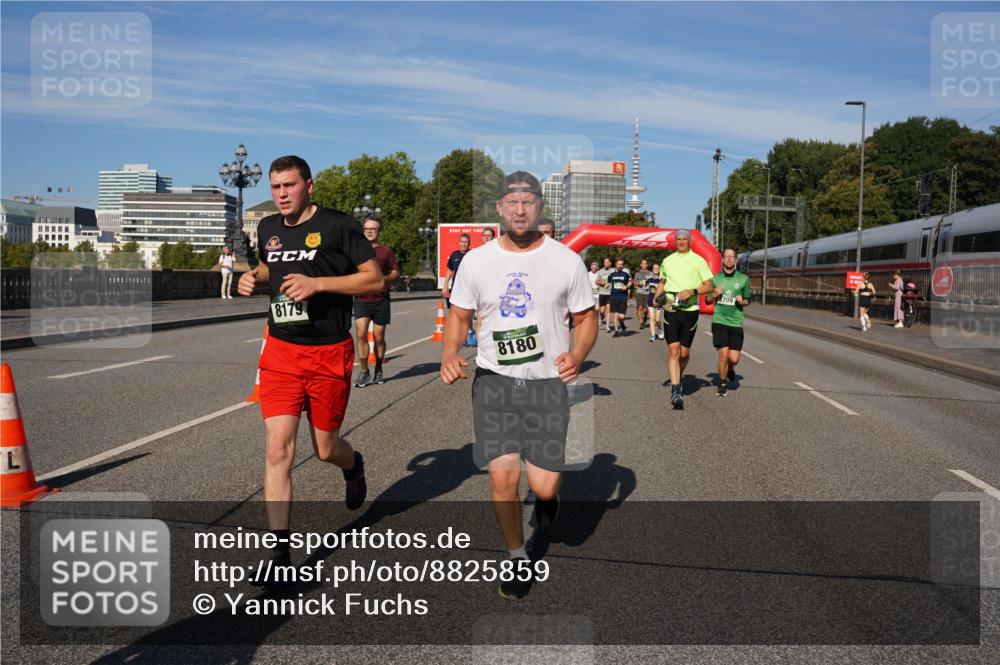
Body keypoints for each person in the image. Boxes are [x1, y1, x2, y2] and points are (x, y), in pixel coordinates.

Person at [440, 171, 597, 601]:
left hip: (547, 384)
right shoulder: (478, 261)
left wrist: (577, 355)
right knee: (504, 478)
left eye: (529, 202)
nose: (520, 209)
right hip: (495, 382)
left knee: (544, 485)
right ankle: (516, 557)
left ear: (540, 208)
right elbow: (458, 315)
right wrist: (450, 352)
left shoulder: (566, 260)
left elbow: (586, 319)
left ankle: (547, 499)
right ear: (499, 209)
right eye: (512, 202)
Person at [237, 155, 382, 576]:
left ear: (309, 186)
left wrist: (319, 283)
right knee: (277, 448)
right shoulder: (268, 228)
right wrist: (254, 277)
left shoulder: (339, 226)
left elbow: (372, 279)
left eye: (289, 186)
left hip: (328, 352)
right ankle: (279, 556)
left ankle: (352, 465)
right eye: (275, 186)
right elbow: (272, 267)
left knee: (324, 449)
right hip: (281, 350)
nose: (281, 194)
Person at [653, 229, 713, 409]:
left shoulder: (698, 260)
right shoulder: (667, 261)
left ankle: (678, 375)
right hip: (671, 309)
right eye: (678, 239)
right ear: (675, 242)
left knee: (684, 354)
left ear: (689, 241)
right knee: (673, 351)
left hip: (691, 310)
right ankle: (675, 389)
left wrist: (692, 291)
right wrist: (656, 298)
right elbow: (662, 282)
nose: (681, 242)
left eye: (684, 239)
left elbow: (708, 285)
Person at [353, 217, 399, 387]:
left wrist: (382, 279)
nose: (370, 231)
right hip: (361, 299)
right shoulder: (355, 251)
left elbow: (395, 273)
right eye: (367, 228)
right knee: (360, 334)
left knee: (379, 337)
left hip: (381, 299)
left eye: (373, 229)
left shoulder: (386, 252)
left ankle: (378, 367)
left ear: (379, 231)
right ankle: (364, 371)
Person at [704, 248, 751, 397]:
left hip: (736, 322)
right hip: (719, 321)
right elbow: (707, 300)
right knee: (723, 354)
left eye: (732, 257)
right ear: (723, 260)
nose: (729, 259)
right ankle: (723, 383)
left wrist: (741, 301)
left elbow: (748, 300)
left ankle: (730, 368)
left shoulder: (744, 279)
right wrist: (714, 295)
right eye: (727, 257)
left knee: (734, 359)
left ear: (735, 260)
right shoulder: (716, 278)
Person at [442, 233, 470, 308]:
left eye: (466, 242)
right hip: (456, 289)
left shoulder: (472, 255)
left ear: (469, 243)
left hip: (469, 290)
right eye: (462, 241)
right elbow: (450, 270)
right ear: (459, 242)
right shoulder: (454, 255)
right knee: (453, 311)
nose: (464, 244)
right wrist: (445, 286)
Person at [607, 258, 631, 336]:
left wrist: (626, 286)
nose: (620, 265)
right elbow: (608, 283)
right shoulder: (612, 274)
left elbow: (631, 281)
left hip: (623, 297)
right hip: (614, 296)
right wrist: (603, 284)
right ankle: (616, 331)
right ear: (615, 265)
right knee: (615, 315)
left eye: (621, 264)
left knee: (622, 316)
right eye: (619, 264)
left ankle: (621, 322)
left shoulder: (625, 274)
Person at [632, 259, 652, 329]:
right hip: (640, 292)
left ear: (647, 265)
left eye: (645, 263)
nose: (644, 265)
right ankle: (641, 323)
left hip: (648, 293)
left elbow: (653, 281)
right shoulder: (637, 274)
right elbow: (634, 283)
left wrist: (650, 284)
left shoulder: (650, 273)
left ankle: (645, 316)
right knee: (640, 307)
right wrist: (638, 283)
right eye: (642, 263)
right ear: (640, 265)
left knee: (646, 309)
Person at [646, 263, 663, 342]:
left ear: (659, 270)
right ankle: (653, 336)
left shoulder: (662, 280)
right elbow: (646, 288)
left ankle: (660, 330)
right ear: (652, 270)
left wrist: (659, 288)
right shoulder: (649, 279)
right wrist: (647, 287)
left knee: (657, 319)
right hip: (650, 300)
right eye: (654, 268)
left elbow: (665, 290)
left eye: (657, 268)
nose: (655, 269)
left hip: (658, 301)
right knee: (652, 318)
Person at [596, 257, 613, 332]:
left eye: (607, 262)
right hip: (602, 293)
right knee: (602, 310)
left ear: (610, 263)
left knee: (608, 310)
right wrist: (601, 282)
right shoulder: (600, 271)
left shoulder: (613, 271)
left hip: (610, 293)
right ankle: (601, 317)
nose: (605, 264)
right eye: (604, 262)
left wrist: (610, 283)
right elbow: (596, 281)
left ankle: (607, 326)